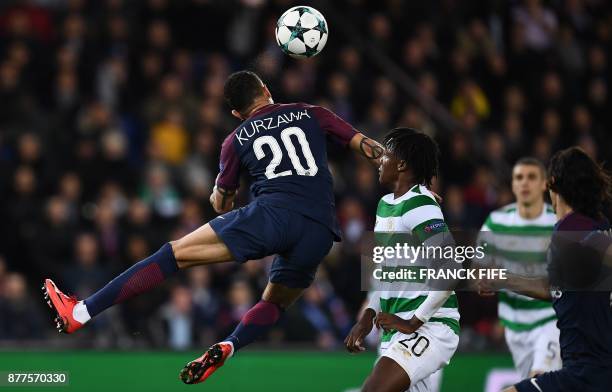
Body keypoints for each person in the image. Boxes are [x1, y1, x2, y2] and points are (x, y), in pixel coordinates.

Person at [42, 70, 384, 385]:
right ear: (266, 90)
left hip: (274, 214)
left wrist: (218, 194)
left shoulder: (236, 139)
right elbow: (367, 147)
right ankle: (230, 345)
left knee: (173, 254)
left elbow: (223, 203)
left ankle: (81, 312)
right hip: (321, 231)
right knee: (276, 302)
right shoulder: (313, 112)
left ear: (236, 113)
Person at [482, 147, 612, 392]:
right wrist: (505, 280)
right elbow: (552, 287)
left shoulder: (572, 231)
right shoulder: (593, 224)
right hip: (587, 367)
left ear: (551, 184)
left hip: (587, 370)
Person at [345, 128, 459, 392]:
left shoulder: (421, 206)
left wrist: (413, 322)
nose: (380, 160)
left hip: (430, 327)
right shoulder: (385, 205)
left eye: (386, 155)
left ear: (403, 164)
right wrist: (368, 316)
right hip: (396, 330)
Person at [478, 158, 561, 379]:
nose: (525, 183)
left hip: (550, 320)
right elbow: (479, 266)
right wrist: (483, 280)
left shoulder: (557, 223)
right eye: (519, 178)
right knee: (532, 384)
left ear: (544, 184)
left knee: (539, 380)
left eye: (532, 177)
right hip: (513, 326)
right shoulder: (496, 222)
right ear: (513, 185)